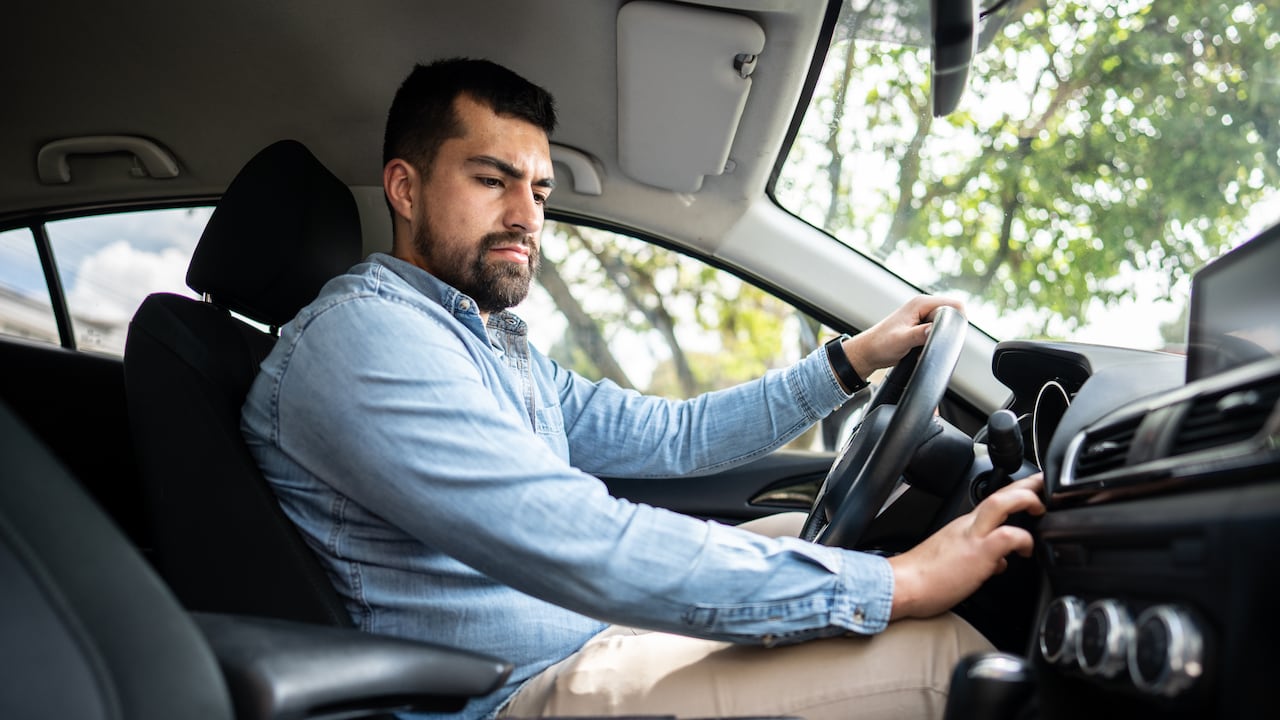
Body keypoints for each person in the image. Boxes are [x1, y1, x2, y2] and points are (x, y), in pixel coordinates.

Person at [241, 58, 1045, 720]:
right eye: (493, 179)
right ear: (406, 189)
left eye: (542, 192)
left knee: (803, 530)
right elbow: (577, 539)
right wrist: (894, 586)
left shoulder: (484, 341)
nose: (527, 216)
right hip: (507, 696)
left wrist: (848, 363)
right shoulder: (363, 341)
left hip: (576, 640)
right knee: (944, 661)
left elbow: (672, 436)